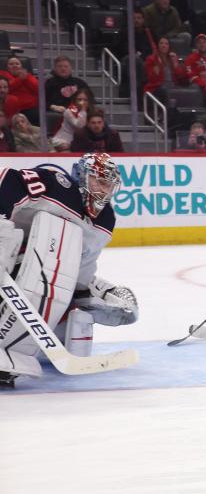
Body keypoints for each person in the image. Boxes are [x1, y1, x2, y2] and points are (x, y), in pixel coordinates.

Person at [0, 153, 137, 388]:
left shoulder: (105, 219)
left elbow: (81, 267)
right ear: (82, 176)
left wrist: (96, 295)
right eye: (99, 180)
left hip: (38, 271)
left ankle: (22, 353)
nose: (104, 189)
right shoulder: (56, 185)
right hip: (11, 257)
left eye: (109, 184)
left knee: (76, 329)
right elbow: (6, 179)